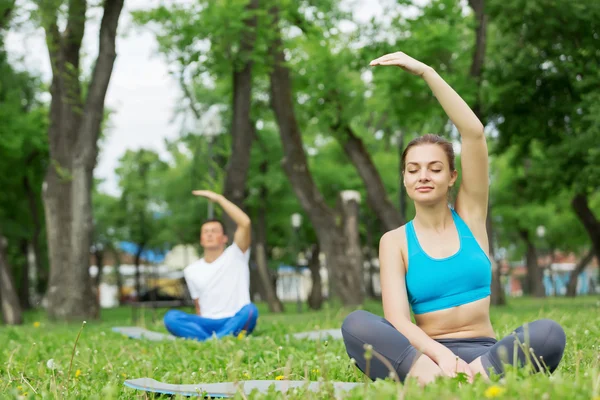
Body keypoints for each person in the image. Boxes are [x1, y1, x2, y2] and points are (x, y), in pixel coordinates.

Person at [341, 51, 566, 385]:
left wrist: (427, 72)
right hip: (427, 358)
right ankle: (438, 379)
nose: (423, 176)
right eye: (413, 170)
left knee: (549, 333)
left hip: (488, 355)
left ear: (452, 176)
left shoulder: (471, 217)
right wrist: (442, 357)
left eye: (435, 168)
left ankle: (471, 378)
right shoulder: (395, 242)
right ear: (404, 179)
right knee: (356, 325)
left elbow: (473, 132)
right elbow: (398, 320)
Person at [163, 190, 258, 341]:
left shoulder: (236, 254)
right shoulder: (191, 271)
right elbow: (198, 305)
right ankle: (219, 339)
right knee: (171, 318)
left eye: (214, 231)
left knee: (251, 311)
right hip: (206, 323)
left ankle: (210, 340)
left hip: (234, 319)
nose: (209, 234)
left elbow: (245, 223)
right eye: (206, 232)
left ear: (224, 238)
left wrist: (219, 199)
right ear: (201, 239)